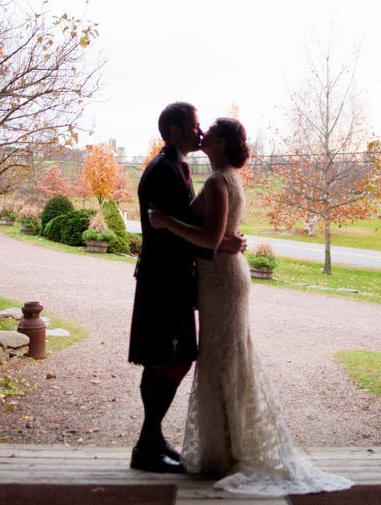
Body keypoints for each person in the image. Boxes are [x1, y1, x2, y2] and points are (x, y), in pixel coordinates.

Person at [149, 117, 353, 496]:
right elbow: (218, 233)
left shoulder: (216, 180)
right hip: (223, 276)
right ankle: (227, 447)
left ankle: (226, 452)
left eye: (210, 131)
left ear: (222, 143)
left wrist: (164, 222)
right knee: (227, 357)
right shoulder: (225, 178)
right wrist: (221, 238)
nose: (203, 134)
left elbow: (210, 237)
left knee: (224, 357)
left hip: (222, 281)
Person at [128, 102, 247, 473]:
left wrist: (218, 238)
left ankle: (151, 441)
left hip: (176, 279)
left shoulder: (180, 165)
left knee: (170, 359)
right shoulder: (163, 170)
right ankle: (148, 444)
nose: (199, 132)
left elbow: (188, 223)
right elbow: (169, 232)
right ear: (175, 131)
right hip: (163, 280)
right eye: (194, 126)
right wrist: (216, 242)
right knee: (169, 360)